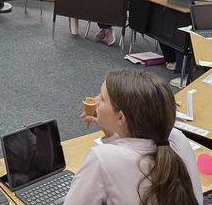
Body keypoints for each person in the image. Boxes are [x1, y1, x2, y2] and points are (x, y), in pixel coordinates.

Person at [68, 68, 203, 205]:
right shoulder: (176, 139)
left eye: (102, 98)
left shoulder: (101, 158)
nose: (95, 101)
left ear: (121, 117)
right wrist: (112, 130)